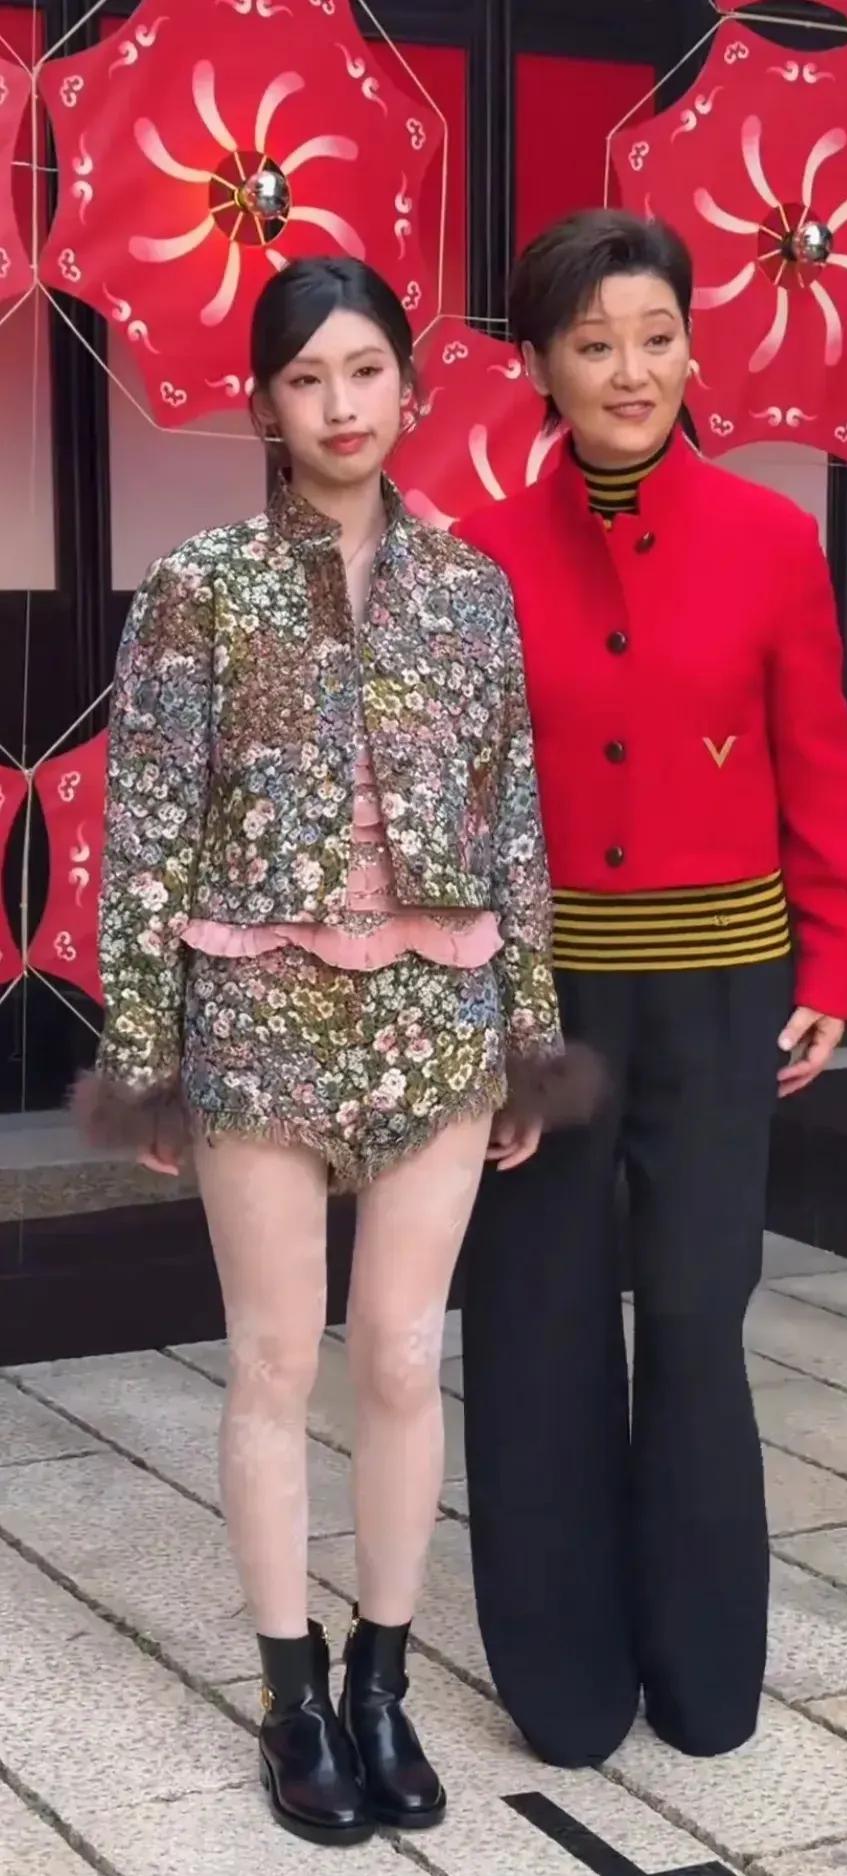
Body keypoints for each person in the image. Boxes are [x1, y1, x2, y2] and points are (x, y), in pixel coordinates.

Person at [75, 255, 597, 1847]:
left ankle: (383, 1678)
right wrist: (147, 1052)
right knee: (274, 1361)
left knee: (400, 1357)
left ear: (411, 390)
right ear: (265, 407)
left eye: (365, 369)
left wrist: (531, 1037)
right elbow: (148, 826)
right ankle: (290, 1697)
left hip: (437, 1016)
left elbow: (515, 822)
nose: (342, 403)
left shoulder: (472, 590)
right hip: (258, 1017)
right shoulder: (202, 585)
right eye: (307, 378)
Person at [455, 209, 847, 1770]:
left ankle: (704, 1668)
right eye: (594, 344)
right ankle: (565, 1684)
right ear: (539, 366)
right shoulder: (478, 560)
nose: (631, 371)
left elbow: (818, 763)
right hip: (547, 1003)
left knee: (699, 1317)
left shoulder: (772, 539)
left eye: (656, 337)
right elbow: (459, 811)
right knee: (540, 1323)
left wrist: (836, 953)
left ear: (694, 348)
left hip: (724, 993)